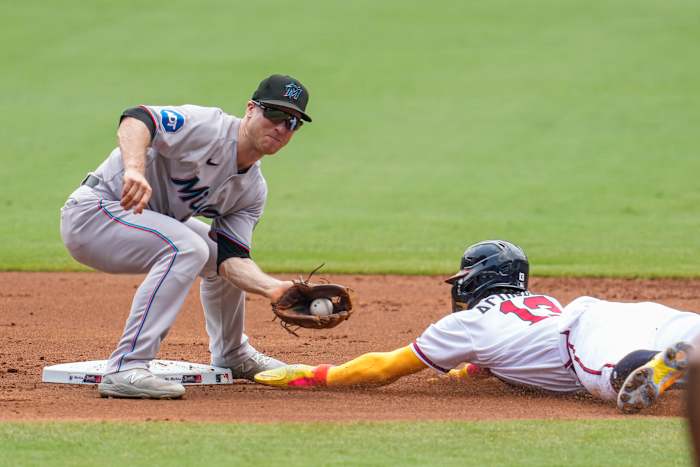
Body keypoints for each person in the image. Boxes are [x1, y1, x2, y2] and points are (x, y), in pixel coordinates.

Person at [60, 74, 313, 399]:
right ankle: (126, 366)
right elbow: (137, 117)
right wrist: (134, 169)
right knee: (187, 247)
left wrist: (274, 288)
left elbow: (231, 260)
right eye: (274, 114)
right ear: (251, 109)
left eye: (293, 122)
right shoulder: (208, 127)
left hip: (145, 223)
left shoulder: (251, 190)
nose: (281, 127)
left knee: (212, 251)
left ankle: (232, 354)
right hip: (95, 214)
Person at [255, 240, 699, 414]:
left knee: (617, 381)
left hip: (581, 339)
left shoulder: (466, 324)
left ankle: (660, 369)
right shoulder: (537, 303)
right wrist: (466, 372)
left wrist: (311, 374)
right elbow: (491, 364)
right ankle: (681, 356)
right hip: (631, 313)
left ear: (478, 280)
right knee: (686, 337)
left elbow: (382, 368)